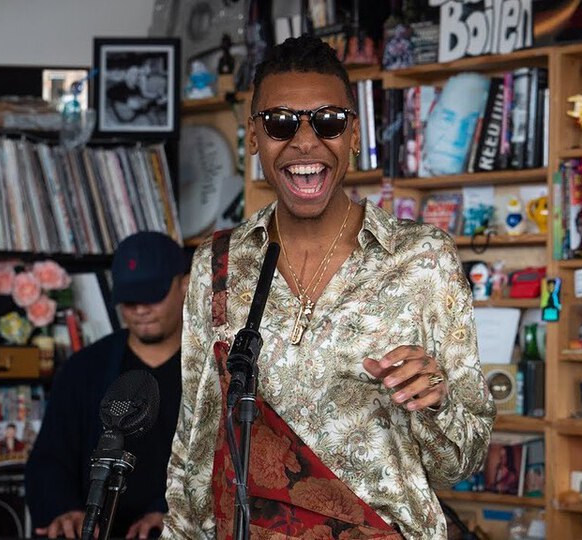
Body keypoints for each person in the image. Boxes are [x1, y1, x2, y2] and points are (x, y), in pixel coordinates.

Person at [162, 35, 495, 539]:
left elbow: (463, 461)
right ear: (253, 136)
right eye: (280, 123)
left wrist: (436, 404)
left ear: (354, 133)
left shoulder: (422, 258)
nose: (305, 142)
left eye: (329, 121)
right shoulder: (220, 262)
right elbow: (195, 446)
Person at [26, 231, 189, 539]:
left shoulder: (212, 370)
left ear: (185, 286)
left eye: (153, 295)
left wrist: (176, 514)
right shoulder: (85, 368)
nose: (140, 309)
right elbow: (49, 457)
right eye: (129, 299)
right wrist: (64, 510)